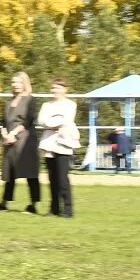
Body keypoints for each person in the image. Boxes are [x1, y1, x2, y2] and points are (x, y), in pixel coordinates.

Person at [0, 72, 41, 213]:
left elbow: (28, 120)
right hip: (10, 141)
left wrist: (13, 133)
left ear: (25, 83)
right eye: (13, 82)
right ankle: (4, 202)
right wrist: (5, 134)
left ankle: (33, 205)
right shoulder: (8, 102)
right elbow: (3, 121)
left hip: (25, 140)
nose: (15, 85)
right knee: (9, 172)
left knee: (30, 172)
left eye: (19, 82)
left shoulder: (30, 100)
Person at [37, 78, 78, 218]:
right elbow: (42, 120)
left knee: (62, 177)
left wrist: (53, 122)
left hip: (63, 143)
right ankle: (54, 208)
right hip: (49, 143)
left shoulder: (71, 104)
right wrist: (52, 123)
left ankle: (67, 209)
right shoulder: (46, 105)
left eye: (59, 88)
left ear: (65, 89)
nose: (56, 90)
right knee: (52, 177)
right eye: (54, 88)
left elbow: (66, 120)